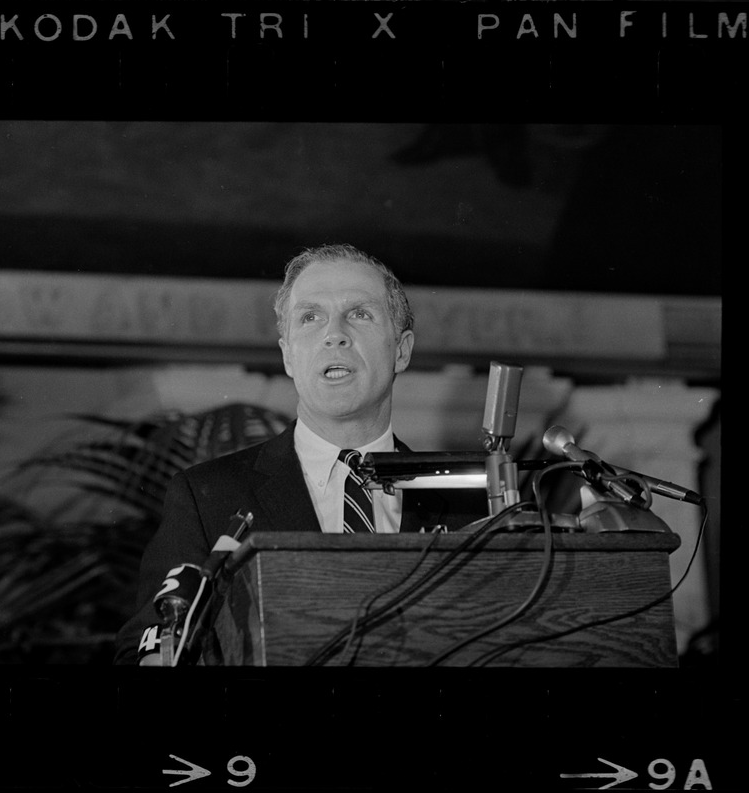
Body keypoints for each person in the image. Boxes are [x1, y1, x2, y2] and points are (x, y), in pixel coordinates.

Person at [114, 243, 482, 664]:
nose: (335, 333)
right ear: (288, 354)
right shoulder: (206, 496)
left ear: (402, 350)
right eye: (310, 317)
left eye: (360, 314)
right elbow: (142, 649)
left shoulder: (467, 504)